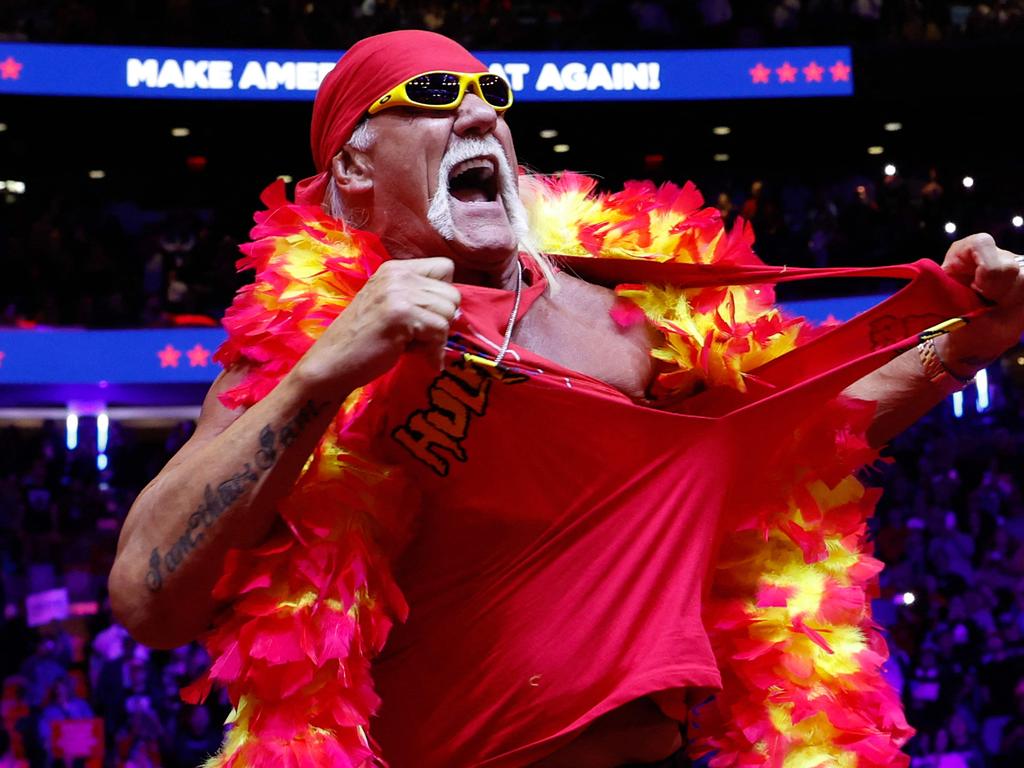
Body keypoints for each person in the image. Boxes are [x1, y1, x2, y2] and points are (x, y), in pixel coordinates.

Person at [108, 30, 1024, 768]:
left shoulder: (624, 310)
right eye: (431, 98)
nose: (477, 113)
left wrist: (964, 342)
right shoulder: (308, 342)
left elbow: (785, 441)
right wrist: (323, 373)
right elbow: (150, 599)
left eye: (493, 97)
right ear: (353, 168)